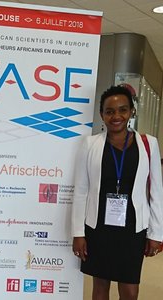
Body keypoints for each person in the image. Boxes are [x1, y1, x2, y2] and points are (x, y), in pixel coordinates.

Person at [71, 85, 163, 300]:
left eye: (122, 109)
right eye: (109, 111)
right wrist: (78, 233)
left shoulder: (149, 144)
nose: (116, 116)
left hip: (132, 227)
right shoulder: (90, 144)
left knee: (130, 289)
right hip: (99, 225)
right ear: (102, 114)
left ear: (132, 111)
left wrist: (156, 234)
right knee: (100, 285)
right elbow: (81, 191)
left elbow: (156, 192)